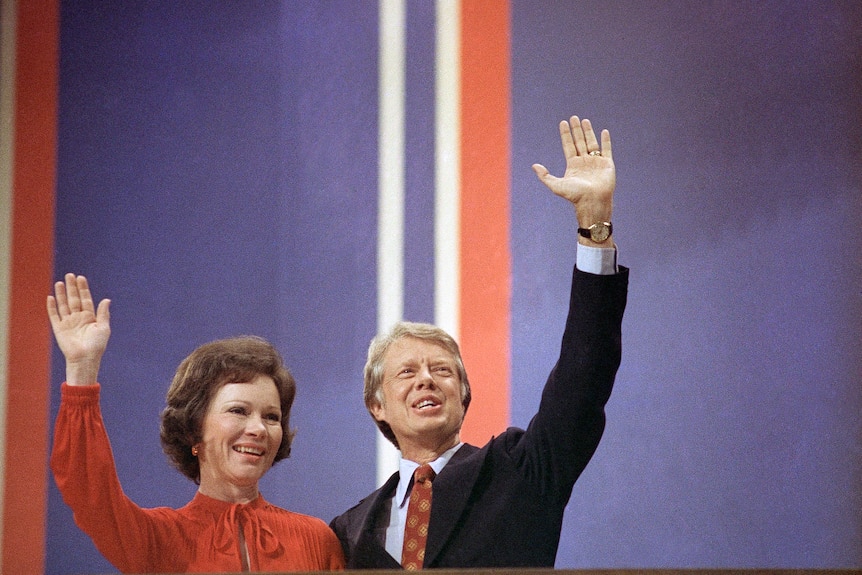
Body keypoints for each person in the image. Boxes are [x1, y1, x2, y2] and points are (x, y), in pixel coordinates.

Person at [330, 115, 629, 569]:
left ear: (464, 394)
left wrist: (594, 226)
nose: (426, 380)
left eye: (443, 370)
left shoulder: (520, 471)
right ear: (377, 405)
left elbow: (582, 379)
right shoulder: (346, 532)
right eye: (407, 372)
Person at [47, 276, 346, 573]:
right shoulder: (156, 539)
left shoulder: (316, 540)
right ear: (194, 428)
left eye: (271, 417)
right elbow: (89, 491)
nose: (258, 429)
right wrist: (82, 368)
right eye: (239, 411)